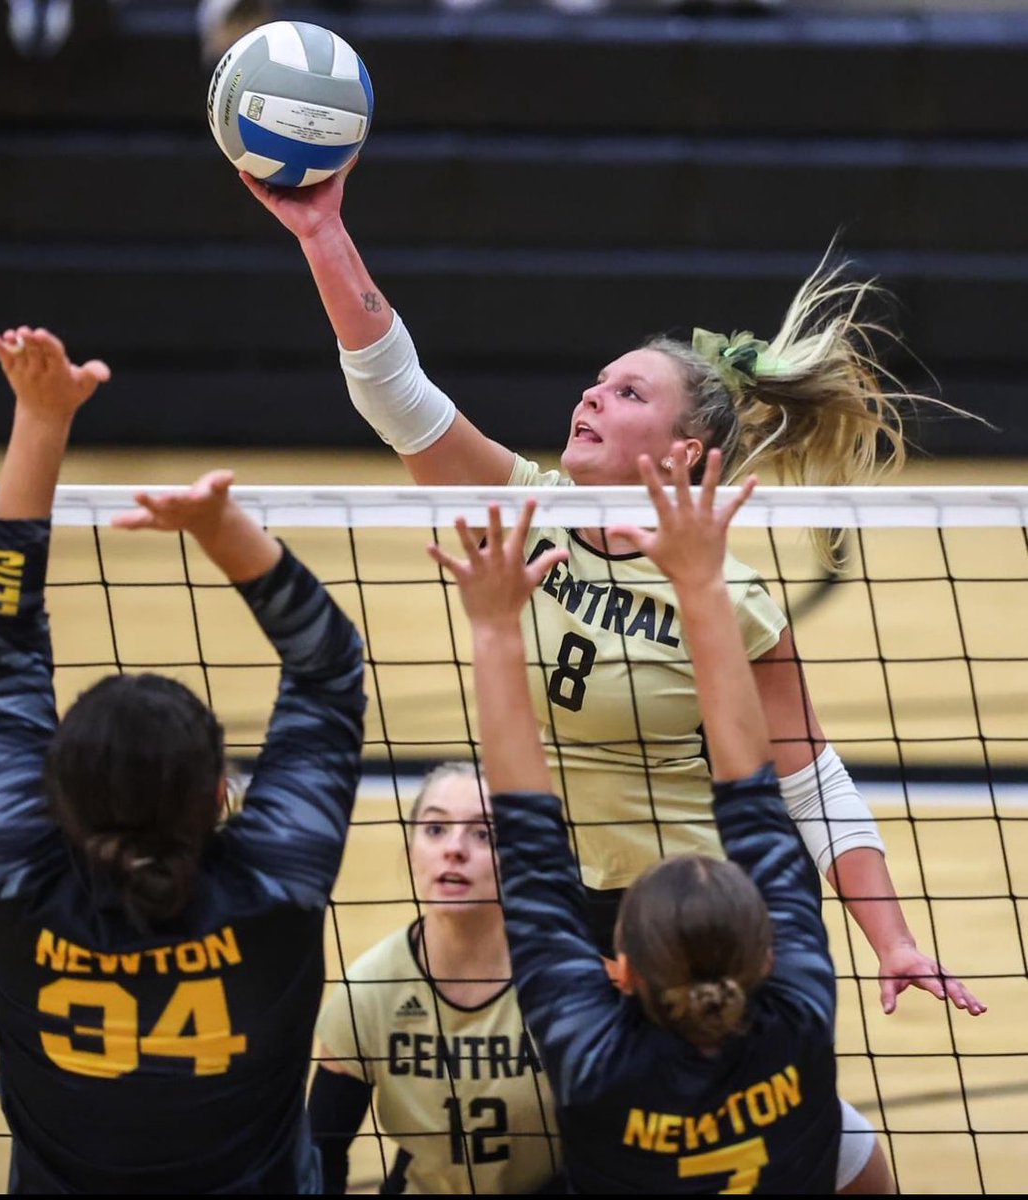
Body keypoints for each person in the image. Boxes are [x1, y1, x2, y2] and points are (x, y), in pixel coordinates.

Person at [240, 165, 986, 1028]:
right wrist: (322, 234)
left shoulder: (730, 598)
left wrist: (890, 941)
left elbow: (813, 784)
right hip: (563, 901)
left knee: (793, 1147)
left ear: (686, 451)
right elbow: (395, 396)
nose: (591, 394)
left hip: (700, 911)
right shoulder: (529, 507)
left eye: (629, 392)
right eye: (597, 381)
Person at [0, 325, 365, 1193]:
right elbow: (328, 668)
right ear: (220, 793)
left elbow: (2, 654)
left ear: (53, 795)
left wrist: (39, 419)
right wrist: (222, 532)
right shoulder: (271, 887)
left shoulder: (20, 878)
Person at [426, 451, 890, 1193]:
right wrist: (704, 585)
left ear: (618, 971)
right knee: (855, 1154)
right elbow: (749, 794)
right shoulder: (798, 1023)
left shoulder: (589, 1056)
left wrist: (489, 627)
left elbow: (540, 849)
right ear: (766, 957)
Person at [309, 763, 563, 1194]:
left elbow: (614, 1151)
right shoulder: (369, 991)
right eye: (435, 829)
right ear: (411, 850)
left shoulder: (565, 983)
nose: (455, 849)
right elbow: (319, 1154)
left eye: (484, 834)